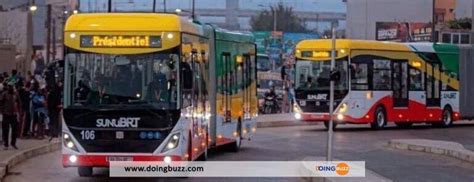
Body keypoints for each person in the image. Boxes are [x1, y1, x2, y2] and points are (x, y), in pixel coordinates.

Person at [0, 84, 20, 150]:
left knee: (15, 129)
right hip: (6, 114)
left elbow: (19, 102)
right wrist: (2, 111)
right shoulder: (4, 94)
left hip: (13, 114)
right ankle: (6, 144)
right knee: (5, 130)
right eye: (10, 86)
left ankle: (13, 143)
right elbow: (1, 103)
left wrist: (18, 112)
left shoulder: (16, 94)